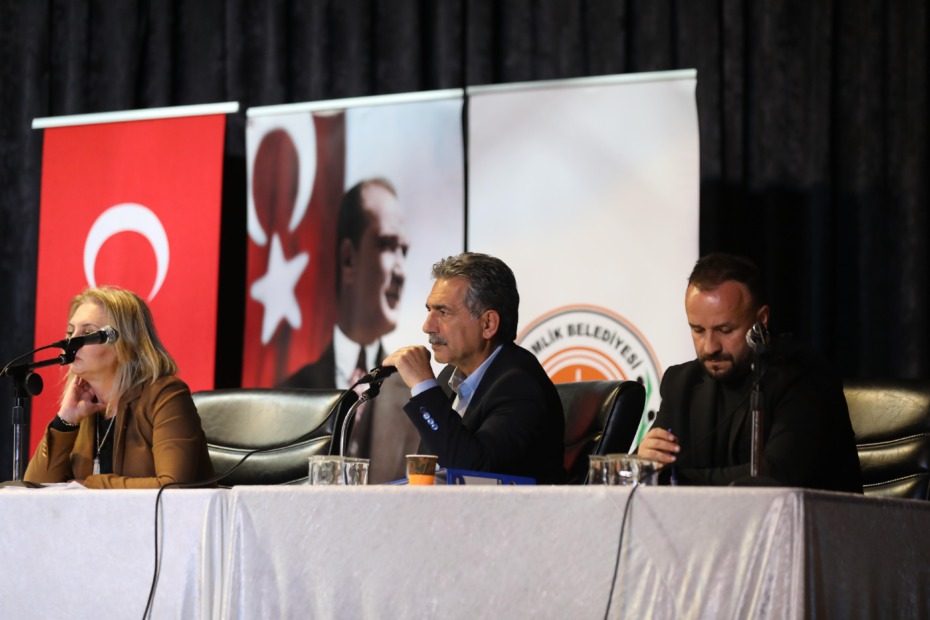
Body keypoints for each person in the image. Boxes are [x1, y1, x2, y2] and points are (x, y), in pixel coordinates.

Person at [637, 253, 862, 492]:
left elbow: (777, 477)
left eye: (725, 330)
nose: (710, 347)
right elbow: (644, 472)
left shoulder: (804, 377)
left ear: (761, 320)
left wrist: (675, 480)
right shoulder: (682, 383)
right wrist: (644, 463)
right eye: (698, 330)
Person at [383, 252, 567, 484]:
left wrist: (424, 387)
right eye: (429, 310)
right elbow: (434, 469)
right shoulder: (450, 376)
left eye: (443, 312)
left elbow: (476, 473)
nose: (427, 326)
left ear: (488, 324)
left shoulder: (520, 385)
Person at [280, 178, 419, 483]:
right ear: (348, 259)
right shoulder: (287, 392)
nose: (401, 271)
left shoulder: (416, 399)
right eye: (387, 245)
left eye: (404, 252)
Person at [24, 287, 215, 489]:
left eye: (87, 333)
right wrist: (65, 421)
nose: (70, 342)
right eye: (70, 332)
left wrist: (90, 485)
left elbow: (172, 486)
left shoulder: (166, 395)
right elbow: (33, 490)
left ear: (125, 343)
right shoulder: (83, 409)